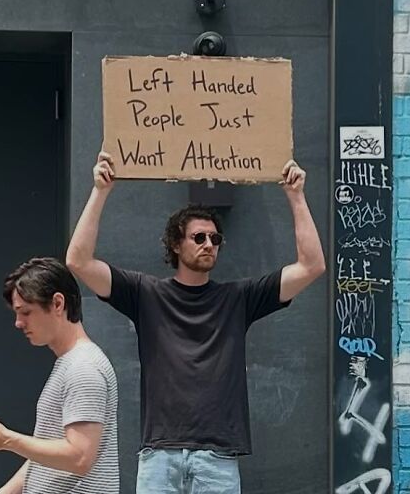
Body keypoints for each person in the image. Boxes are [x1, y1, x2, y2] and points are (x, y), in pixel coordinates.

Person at [65, 152, 326, 494]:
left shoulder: (238, 299)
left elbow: (312, 266)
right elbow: (78, 261)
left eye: (215, 239)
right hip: (160, 456)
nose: (209, 245)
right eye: (199, 237)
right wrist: (100, 190)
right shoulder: (145, 293)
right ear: (176, 243)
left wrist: (296, 196)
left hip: (217, 459)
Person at [0, 257, 119, 494]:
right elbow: (48, 456)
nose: (18, 323)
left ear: (58, 303)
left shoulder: (84, 368)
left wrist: (7, 439)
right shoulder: (71, 364)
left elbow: (79, 457)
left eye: (26, 312)